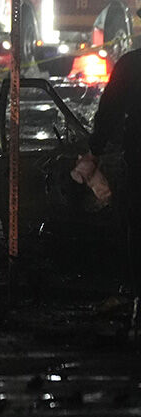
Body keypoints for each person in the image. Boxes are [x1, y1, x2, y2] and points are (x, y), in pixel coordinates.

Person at [76, 48, 141, 311]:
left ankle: (137, 297)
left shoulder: (133, 64)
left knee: (137, 226)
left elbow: (110, 110)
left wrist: (95, 151)